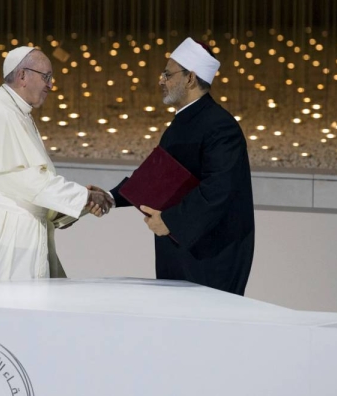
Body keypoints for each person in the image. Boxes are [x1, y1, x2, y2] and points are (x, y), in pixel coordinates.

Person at [0, 46, 113, 281]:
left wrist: (78, 203)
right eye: (46, 77)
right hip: (3, 239)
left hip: (16, 235)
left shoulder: (15, 110)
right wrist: (83, 198)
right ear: (22, 76)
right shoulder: (0, 113)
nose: (50, 85)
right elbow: (28, 182)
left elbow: (29, 185)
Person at [103, 37, 255, 295]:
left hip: (211, 258)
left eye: (168, 74)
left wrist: (171, 222)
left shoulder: (221, 127)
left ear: (190, 79)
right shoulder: (182, 123)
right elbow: (156, 178)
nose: (162, 80)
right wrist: (109, 197)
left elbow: (218, 190)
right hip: (182, 252)